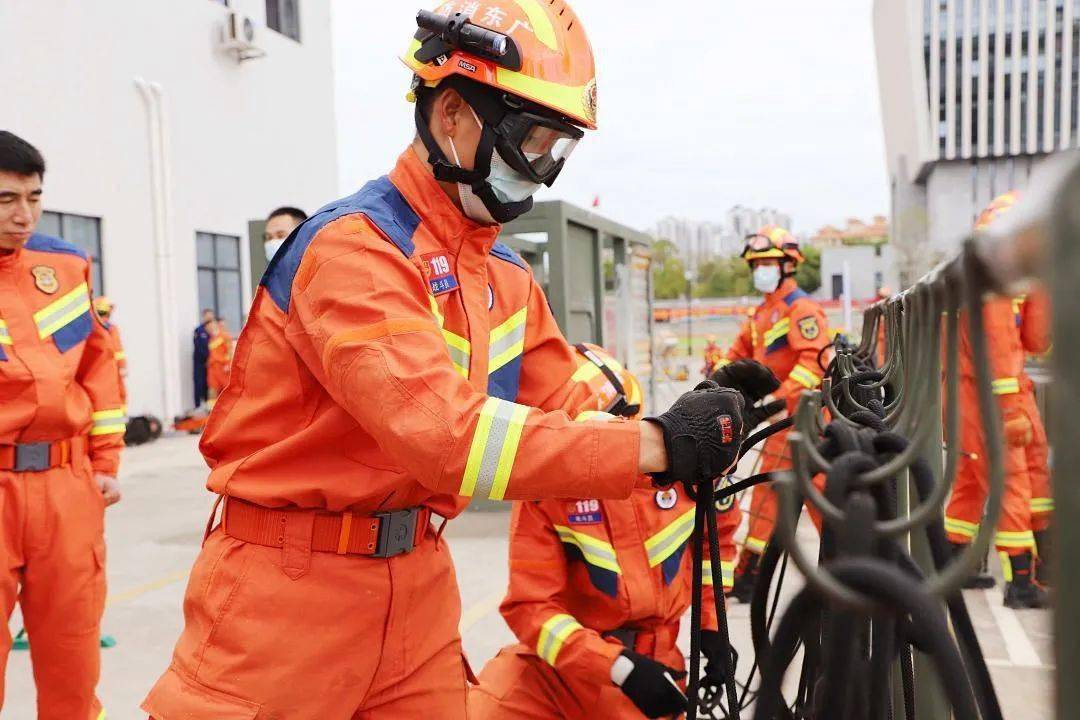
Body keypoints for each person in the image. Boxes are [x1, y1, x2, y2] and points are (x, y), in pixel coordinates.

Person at [142, 4, 744, 718]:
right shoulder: (357, 252)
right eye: (533, 143)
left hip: (417, 589)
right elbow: (448, 438)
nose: (542, 174)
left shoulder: (504, 278)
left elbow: (580, 403)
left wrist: (700, 431)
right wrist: (657, 445)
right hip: (287, 595)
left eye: (560, 151)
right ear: (454, 113)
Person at [469, 344, 744, 720]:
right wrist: (618, 667)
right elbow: (531, 607)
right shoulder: (545, 495)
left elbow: (719, 543)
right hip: (561, 674)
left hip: (654, 673)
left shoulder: (680, 476)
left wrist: (713, 626)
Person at [0, 131, 126, 718]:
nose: (22, 215)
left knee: (73, 657)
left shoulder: (64, 266)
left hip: (65, 486)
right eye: (5, 200)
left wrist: (104, 464)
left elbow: (98, 371)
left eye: (33, 197)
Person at [943, 192, 1048, 609]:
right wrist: (1010, 411)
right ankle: (1021, 580)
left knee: (972, 480)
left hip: (973, 390)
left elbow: (1034, 340)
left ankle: (957, 565)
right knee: (1011, 481)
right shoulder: (995, 287)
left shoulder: (984, 278)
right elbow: (1005, 349)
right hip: (991, 394)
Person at [716, 226, 831, 602]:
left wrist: (778, 401)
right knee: (769, 496)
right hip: (780, 423)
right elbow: (739, 356)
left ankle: (846, 567)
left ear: (787, 265)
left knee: (819, 495)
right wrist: (715, 378)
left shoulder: (802, 310)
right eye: (757, 264)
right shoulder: (763, 313)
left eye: (767, 263)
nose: (761, 270)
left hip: (806, 419)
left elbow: (813, 363)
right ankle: (752, 573)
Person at [1017, 285, 1053, 584]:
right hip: (1008, 395)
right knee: (1020, 479)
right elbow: (1037, 340)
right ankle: (1024, 576)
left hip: (977, 393)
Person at [94, 295, 127, 408]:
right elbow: (118, 351)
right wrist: (122, 367)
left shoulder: (92, 328)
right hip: (112, 369)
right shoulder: (111, 329)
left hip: (98, 371)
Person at [205, 316, 232, 401]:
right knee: (212, 389)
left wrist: (228, 364)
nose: (210, 328)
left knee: (226, 389)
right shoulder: (211, 340)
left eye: (211, 326)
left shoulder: (225, 336)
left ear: (215, 325)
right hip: (213, 368)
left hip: (223, 367)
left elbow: (230, 351)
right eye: (208, 327)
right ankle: (211, 410)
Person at [191, 308, 214, 408]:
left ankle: (208, 407)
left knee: (209, 387)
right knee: (199, 385)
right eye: (207, 316)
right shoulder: (199, 331)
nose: (209, 318)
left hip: (212, 365)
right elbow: (199, 347)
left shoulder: (213, 331)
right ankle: (198, 406)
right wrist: (207, 357)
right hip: (200, 364)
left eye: (211, 316)